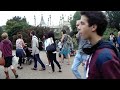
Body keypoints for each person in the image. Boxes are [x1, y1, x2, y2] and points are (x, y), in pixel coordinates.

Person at [78, 11, 120, 79]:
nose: (78, 27)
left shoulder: (105, 56)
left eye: (82, 23)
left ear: (93, 27)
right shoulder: (94, 50)